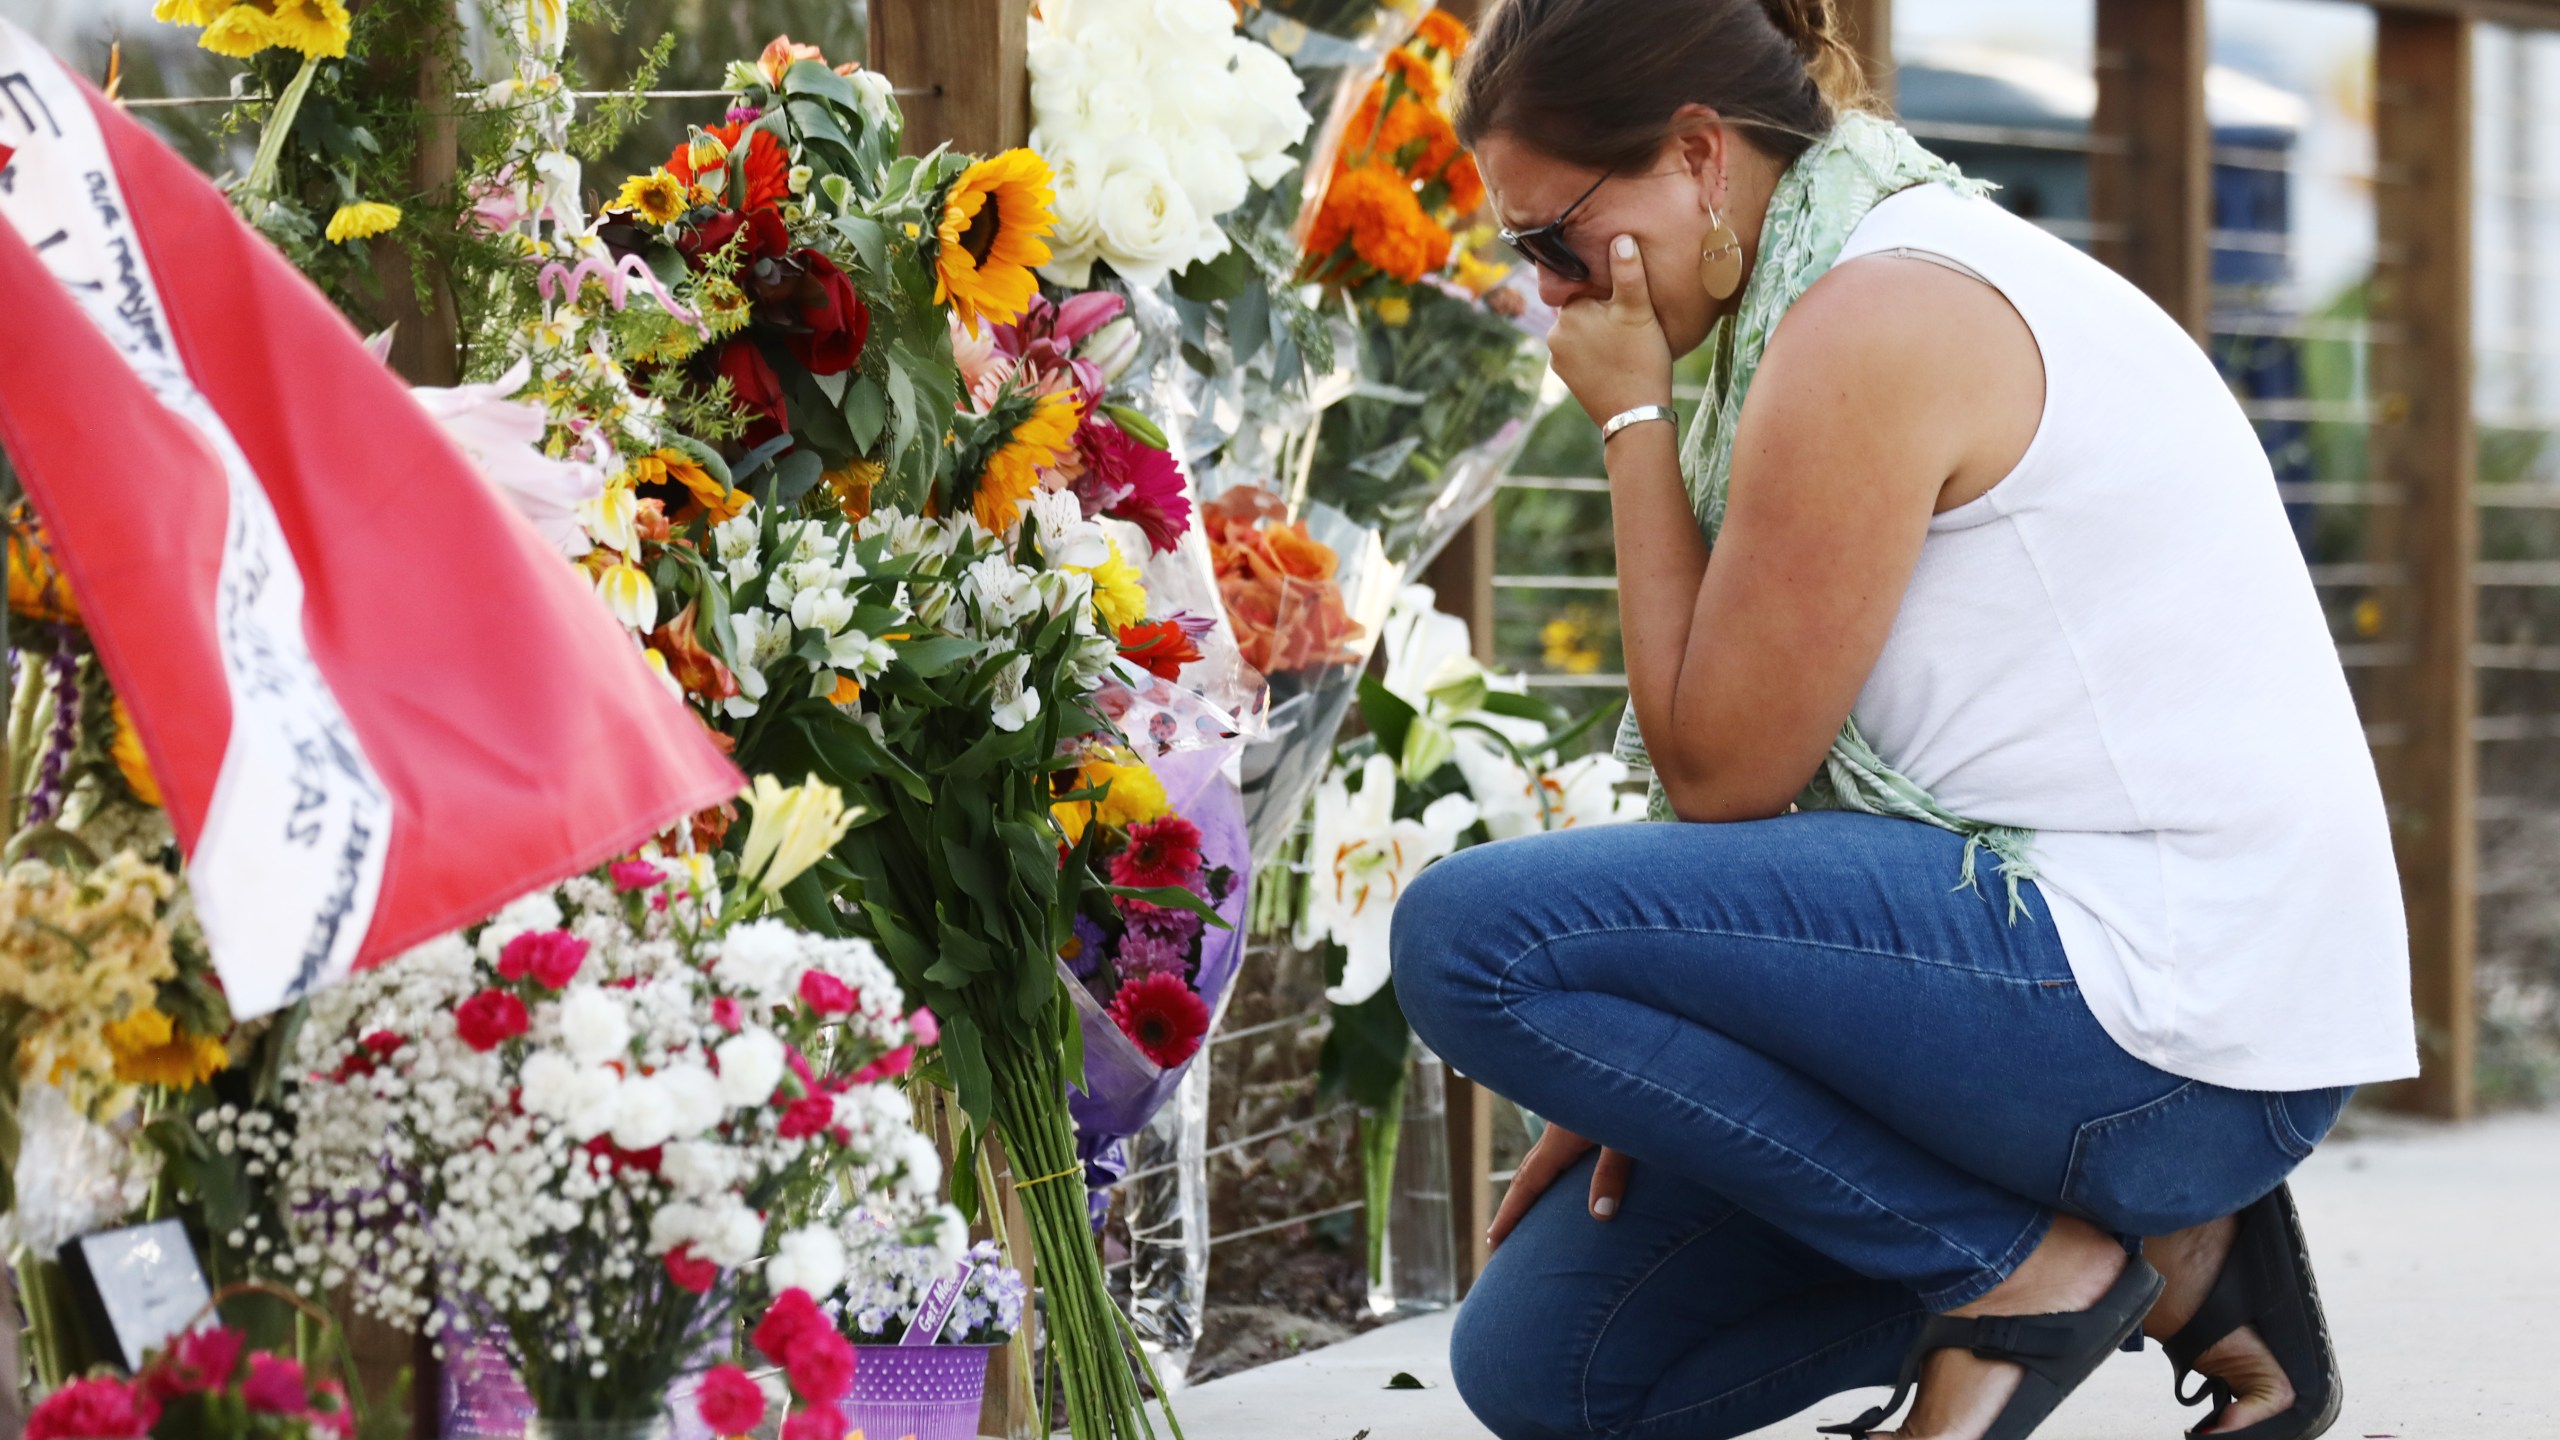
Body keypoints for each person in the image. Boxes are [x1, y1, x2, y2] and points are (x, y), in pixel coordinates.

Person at [1386, 2, 2416, 1439]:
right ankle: (2190, 1269)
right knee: (1557, 1362)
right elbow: (1754, 783)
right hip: (2089, 1008)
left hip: (2169, 1029)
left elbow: (1729, 770)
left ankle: (2023, 1272)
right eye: (1525, 257)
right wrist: (1641, 1047)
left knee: (1465, 938)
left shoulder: (1879, 312)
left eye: (1555, 238)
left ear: (1697, 156)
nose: (1552, 293)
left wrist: (1630, 425)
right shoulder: (1836, 283)